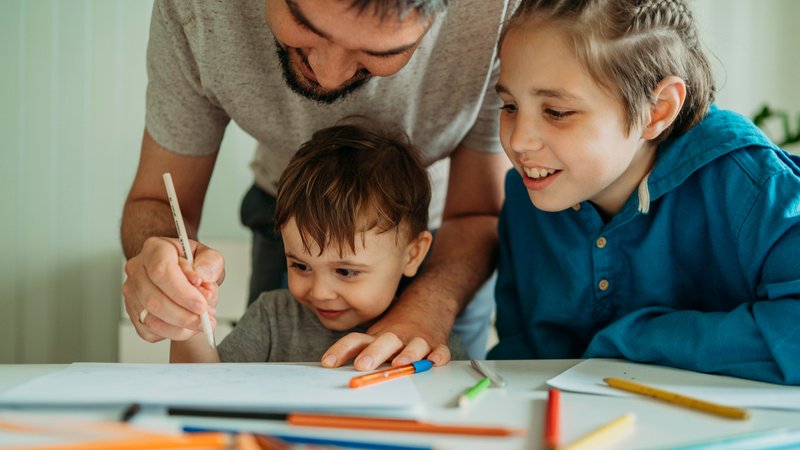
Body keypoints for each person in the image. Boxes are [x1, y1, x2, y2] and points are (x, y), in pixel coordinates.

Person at [121, 0, 519, 369]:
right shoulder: (274, 320)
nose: (329, 78)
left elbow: (478, 210)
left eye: (379, 52)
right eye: (304, 24)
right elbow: (208, 390)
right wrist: (179, 302)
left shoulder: (499, 13)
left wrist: (430, 306)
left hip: (448, 232)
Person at [488, 0, 800, 384]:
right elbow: (521, 362)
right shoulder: (529, 192)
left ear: (657, 110)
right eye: (509, 105)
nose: (518, 141)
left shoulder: (754, 186)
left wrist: (639, 341)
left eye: (556, 112)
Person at [171, 123, 468, 363]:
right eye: (300, 265)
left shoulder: (427, 335)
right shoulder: (271, 318)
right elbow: (205, 392)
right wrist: (190, 327)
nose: (320, 293)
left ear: (413, 255)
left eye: (346, 271)